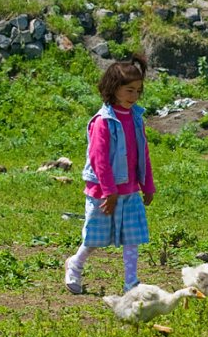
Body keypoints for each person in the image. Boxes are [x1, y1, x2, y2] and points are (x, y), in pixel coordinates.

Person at [64, 53, 156, 295]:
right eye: (129, 91)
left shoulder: (136, 118)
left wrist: (147, 185)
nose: (134, 96)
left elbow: (142, 152)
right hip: (104, 192)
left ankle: (131, 283)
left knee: (132, 239)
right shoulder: (102, 122)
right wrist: (109, 191)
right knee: (95, 238)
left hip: (130, 190)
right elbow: (99, 160)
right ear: (113, 89)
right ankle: (75, 264)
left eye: (138, 91)